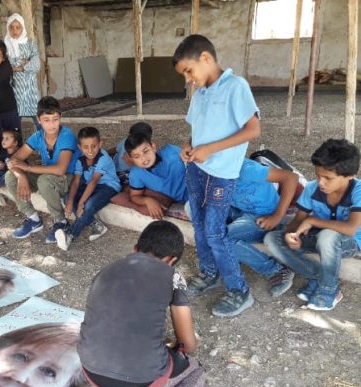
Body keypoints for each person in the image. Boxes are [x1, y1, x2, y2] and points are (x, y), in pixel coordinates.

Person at [78, 221, 205, 387]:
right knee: (195, 369)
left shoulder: (107, 270)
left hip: (90, 369)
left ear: (135, 248)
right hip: (143, 385)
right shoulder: (173, 277)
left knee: (107, 344)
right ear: (171, 261)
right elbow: (188, 344)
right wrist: (181, 344)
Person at [173, 34, 261, 317]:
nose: (188, 78)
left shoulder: (236, 86)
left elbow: (253, 130)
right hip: (197, 170)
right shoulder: (200, 93)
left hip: (221, 175)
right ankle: (209, 273)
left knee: (214, 231)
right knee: (198, 225)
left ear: (206, 59)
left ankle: (239, 290)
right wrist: (189, 146)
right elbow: (196, 130)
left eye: (189, 71)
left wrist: (210, 149)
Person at [264, 139, 361, 311]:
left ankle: (328, 291)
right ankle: (318, 278)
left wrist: (312, 220)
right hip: (318, 239)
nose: (321, 182)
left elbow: (351, 228)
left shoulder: (358, 191)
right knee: (272, 238)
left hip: (350, 242)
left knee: (327, 236)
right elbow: (297, 221)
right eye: (318, 175)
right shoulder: (312, 188)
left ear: (349, 176)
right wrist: (291, 234)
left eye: (328, 178)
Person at [5, 96, 80, 243]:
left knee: (44, 180)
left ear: (61, 118)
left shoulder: (67, 136)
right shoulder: (38, 136)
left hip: (68, 177)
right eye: (46, 120)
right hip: (48, 175)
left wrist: (27, 168)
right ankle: (33, 219)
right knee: (10, 176)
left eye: (55, 119)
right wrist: (21, 176)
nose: (52, 125)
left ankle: (61, 222)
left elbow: (60, 170)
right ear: (39, 120)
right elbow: (13, 160)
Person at [226, 159, 299, 297]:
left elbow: (291, 178)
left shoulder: (246, 169)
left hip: (263, 216)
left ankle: (275, 270)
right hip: (236, 209)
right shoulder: (209, 168)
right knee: (194, 209)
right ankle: (217, 259)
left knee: (223, 239)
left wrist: (277, 216)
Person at [55, 126, 120, 251]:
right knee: (68, 198)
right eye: (86, 147)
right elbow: (76, 181)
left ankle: (70, 235)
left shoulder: (103, 158)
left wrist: (81, 203)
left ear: (100, 143)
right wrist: (70, 203)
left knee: (88, 205)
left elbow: (95, 180)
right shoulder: (80, 160)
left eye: (94, 146)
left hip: (108, 186)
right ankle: (96, 225)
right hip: (90, 185)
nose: (90, 151)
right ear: (80, 147)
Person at [126, 133, 188, 219]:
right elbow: (135, 196)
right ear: (131, 159)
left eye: (146, 151)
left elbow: (193, 160)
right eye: (137, 156)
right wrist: (148, 201)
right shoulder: (136, 174)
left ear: (154, 147)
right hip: (188, 200)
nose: (144, 159)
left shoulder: (171, 151)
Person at [4, 13, 41, 131]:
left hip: (30, 87)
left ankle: (46, 142)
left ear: (23, 28)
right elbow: (3, 63)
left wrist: (20, 68)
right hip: (15, 88)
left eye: (18, 27)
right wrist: (22, 62)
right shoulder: (5, 45)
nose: (15, 30)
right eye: (11, 27)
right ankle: (17, 144)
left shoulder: (29, 43)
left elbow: (37, 63)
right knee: (15, 120)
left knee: (38, 119)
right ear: (8, 28)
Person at [113, 121, 153, 185]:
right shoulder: (138, 150)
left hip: (114, 166)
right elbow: (139, 170)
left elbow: (115, 149)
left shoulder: (125, 140)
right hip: (122, 172)